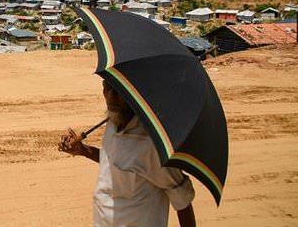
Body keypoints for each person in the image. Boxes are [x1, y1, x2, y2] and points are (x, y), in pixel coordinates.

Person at [58, 79, 196, 227]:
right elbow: (113, 161)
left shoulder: (150, 144)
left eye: (118, 90)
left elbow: (182, 199)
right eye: (107, 87)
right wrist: (84, 150)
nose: (111, 95)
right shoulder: (112, 124)